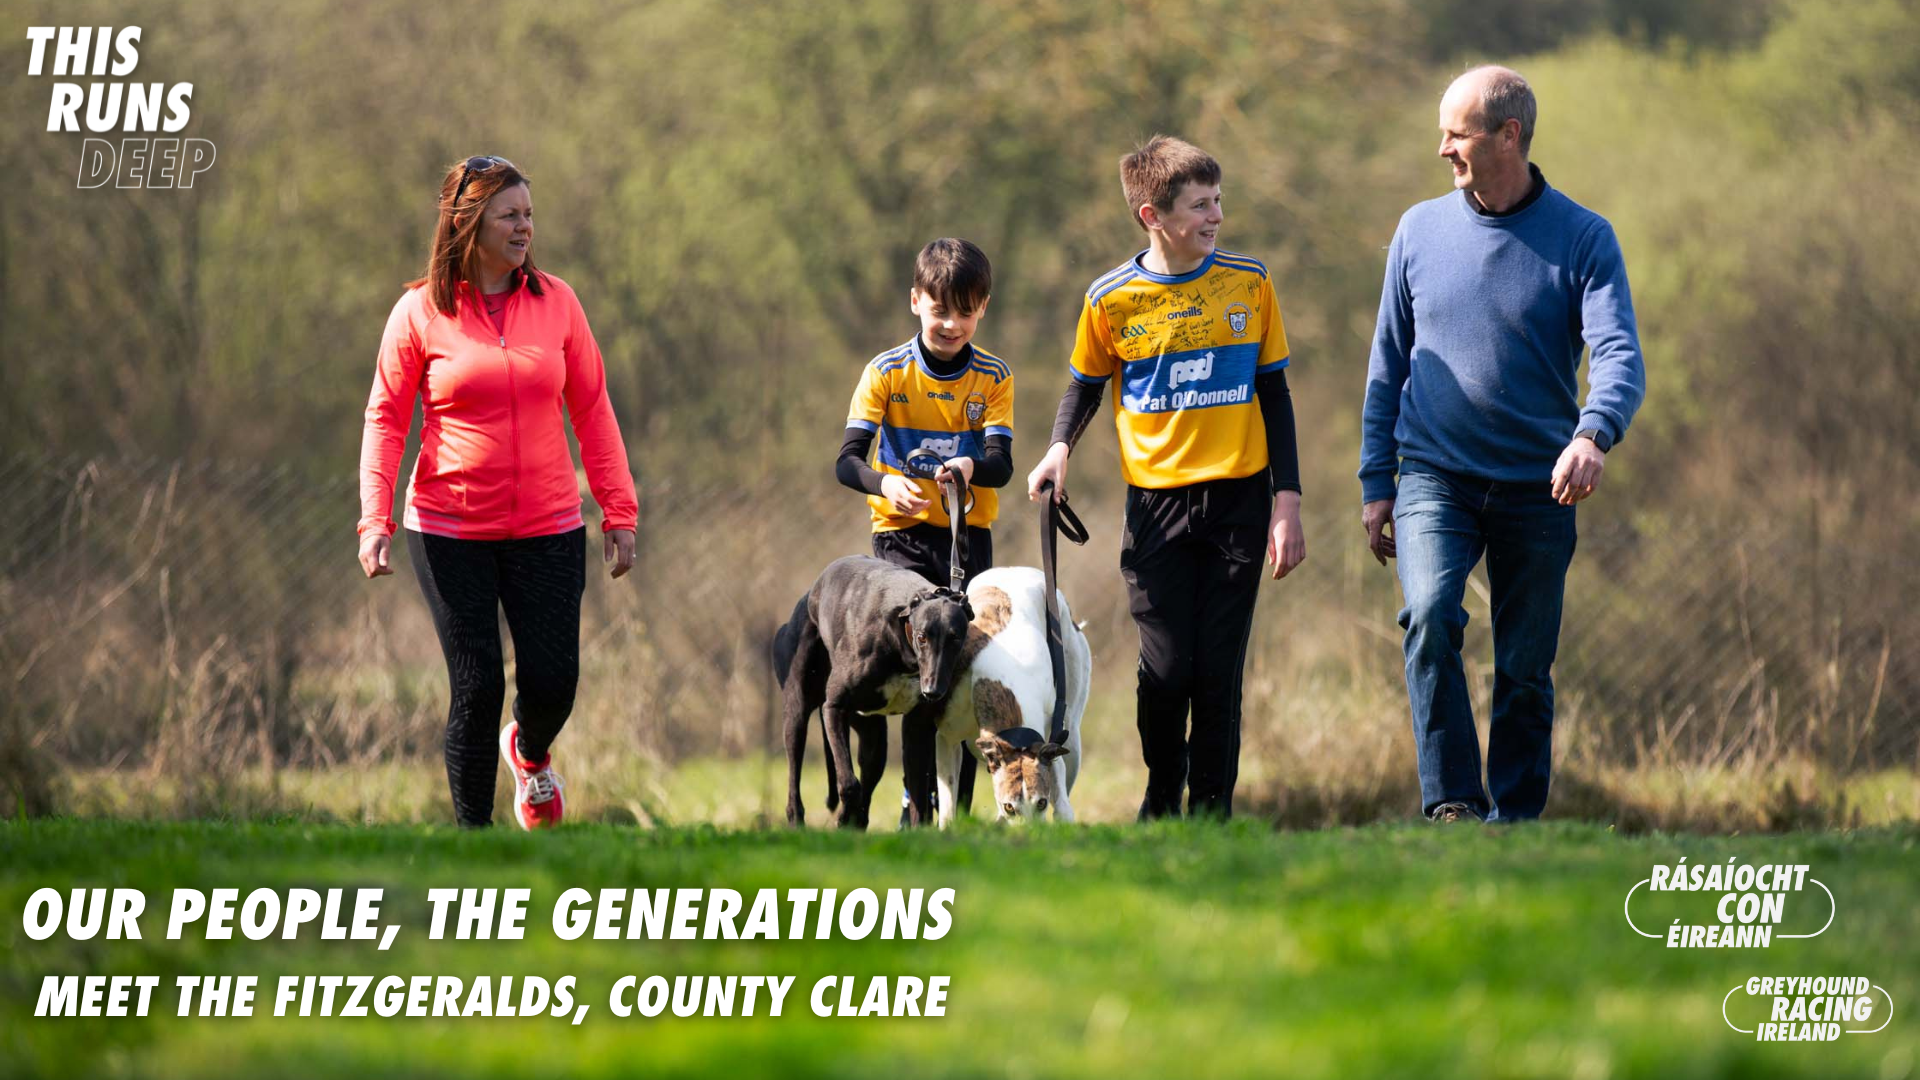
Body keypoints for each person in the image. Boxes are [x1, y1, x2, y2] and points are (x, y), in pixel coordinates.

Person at [1358, 67, 1646, 823]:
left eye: (1456, 133)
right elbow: (1388, 362)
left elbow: (1619, 354)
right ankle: (1453, 803)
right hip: (1433, 475)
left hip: (1538, 483)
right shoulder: (1418, 230)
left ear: (1508, 136)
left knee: (1523, 665)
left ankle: (1515, 819)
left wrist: (1594, 434)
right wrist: (1374, 480)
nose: (1442, 148)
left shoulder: (1583, 238)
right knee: (1428, 616)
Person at [1026, 136, 1306, 821]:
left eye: (1218, 201)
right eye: (1199, 205)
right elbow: (1084, 386)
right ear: (1153, 215)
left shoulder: (1250, 282)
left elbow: (1275, 394)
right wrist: (1058, 449)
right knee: (1167, 670)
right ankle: (1162, 790)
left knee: (1218, 671)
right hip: (1155, 508)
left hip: (1241, 501)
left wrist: (1287, 502)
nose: (1216, 217)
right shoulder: (1110, 299)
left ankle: (1211, 811)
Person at [357, 155, 638, 831]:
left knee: (552, 682)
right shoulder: (419, 313)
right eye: (510, 216)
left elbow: (593, 409)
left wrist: (618, 511)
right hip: (448, 528)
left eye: (529, 215)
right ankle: (473, 844)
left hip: (548, 525)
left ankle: (531, 753)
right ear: (469, 224)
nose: (525, 229)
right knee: (476, 684)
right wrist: (376, 519)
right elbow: (387, 419)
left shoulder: (558, 303)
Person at [836, 238, 1011, 825]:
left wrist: (968, 468)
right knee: (918, 675)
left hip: (966, 545)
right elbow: (847, 460)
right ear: (916, 301)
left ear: (982, 308)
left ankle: (955, 806)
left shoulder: (993, 377)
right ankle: (916, 803)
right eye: (940, 309)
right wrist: (885, 485)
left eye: (965, 311)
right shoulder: (884, 372)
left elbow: (1001, 464)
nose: (951, 323)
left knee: (959, 676)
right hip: (899, 546)